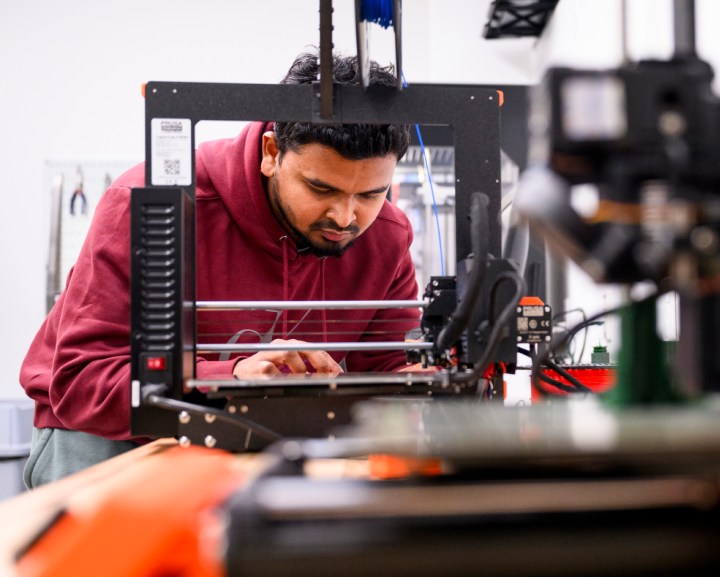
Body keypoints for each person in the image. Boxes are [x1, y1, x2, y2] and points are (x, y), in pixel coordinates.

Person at [20, 52, 424, 488]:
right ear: (272, 152)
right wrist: (231, 377)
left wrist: (425, 385)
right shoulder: (149, 204)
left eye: (370, 193)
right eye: (320, 188)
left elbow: (389, 369)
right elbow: (81, 383)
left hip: (265, 444)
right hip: (111, 440)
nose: (345, 217)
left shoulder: (386, 234)